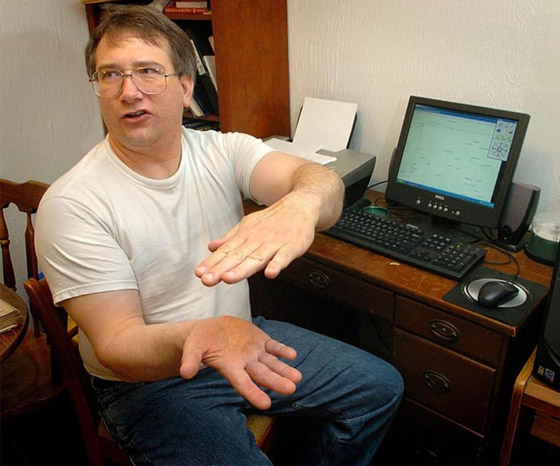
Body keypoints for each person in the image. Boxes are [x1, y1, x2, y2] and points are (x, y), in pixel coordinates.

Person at [35, 6, 403, 465]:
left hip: (241, 337)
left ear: (186, 87)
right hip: (151, 382)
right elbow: (117, 345)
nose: (128, 92)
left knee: (379, 388)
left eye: (148, 71)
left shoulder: (223, 150)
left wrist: (301, 205)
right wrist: (204, 335)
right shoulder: (73, 203)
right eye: (110, 75)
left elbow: (321, 180)